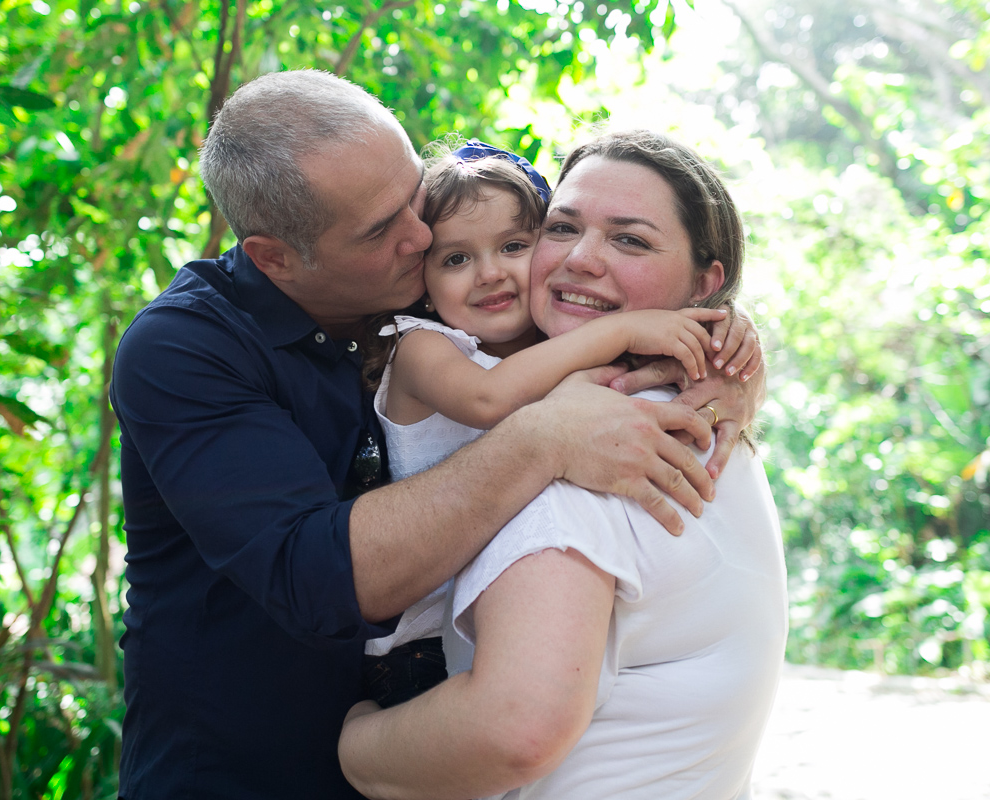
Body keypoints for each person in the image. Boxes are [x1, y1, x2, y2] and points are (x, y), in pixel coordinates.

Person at [109, 70, 765, 798]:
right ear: (276, 258)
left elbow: (583, 263)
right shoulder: (183, 348)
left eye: (413, 198)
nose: (423, 237)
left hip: (419, 763)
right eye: (383, 229)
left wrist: (724, 343)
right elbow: (318, 575)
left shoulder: (424, 283)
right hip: (241, 772)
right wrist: (544, 437)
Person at [338, 130, 788, 800]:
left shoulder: (600, 451)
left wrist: (351, 745)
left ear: (706, 282)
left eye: (630, 239)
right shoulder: (694, 429)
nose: (581, 258)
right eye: (562, 226)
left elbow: (515, 728)